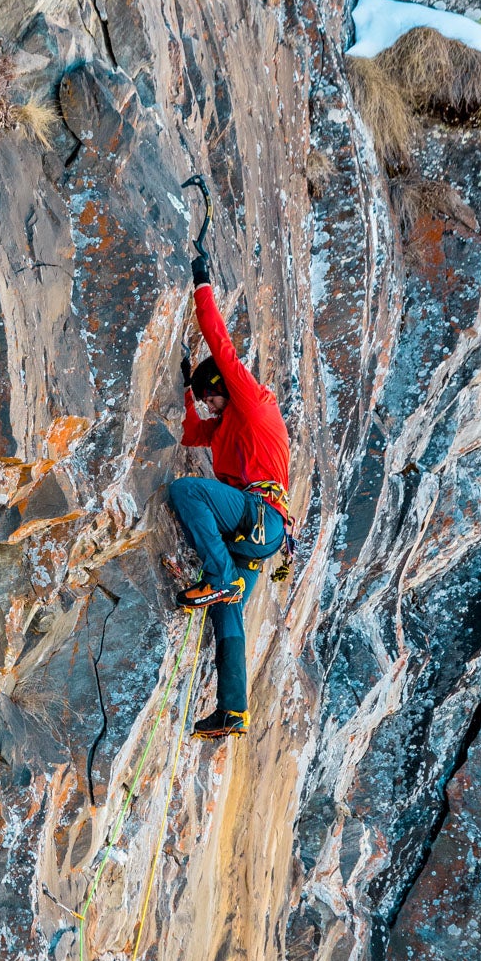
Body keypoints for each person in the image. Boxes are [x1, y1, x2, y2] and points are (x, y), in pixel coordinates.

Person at [168, 251, 292, 739]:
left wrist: (202, 285)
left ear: (224, 387)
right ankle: (232, 711)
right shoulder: (220, 428)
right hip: (256, 533)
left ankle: (219, 577)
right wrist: (184, 391)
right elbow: (190, 434)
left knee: (186, 491)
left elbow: (220, 344)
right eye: (206, 401)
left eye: (211, 396)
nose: (210, 407)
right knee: (227, 611)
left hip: (261, 514)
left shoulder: (253, 402)